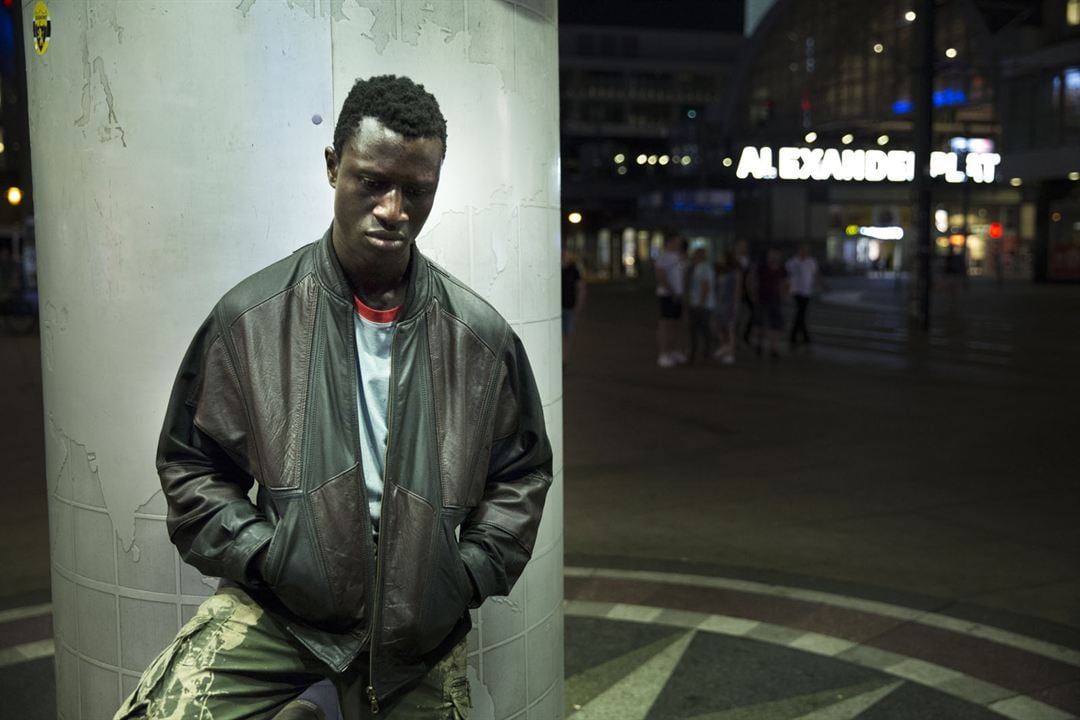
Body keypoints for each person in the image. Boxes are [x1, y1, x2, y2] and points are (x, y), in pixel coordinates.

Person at [115, 75, 553, 720]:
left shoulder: (479, 338)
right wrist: (267, 557)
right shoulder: (253, 318)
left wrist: (461, 576)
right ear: (333, 168)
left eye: (417, 190)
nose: (393, 209)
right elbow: (191, 464)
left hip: (414, 630)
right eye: (372, 182)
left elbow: (521, 474)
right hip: (287, 612)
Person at [655, 234, 687, 368]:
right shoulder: (664, 257)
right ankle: (663, 353)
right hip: (667, 295)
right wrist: (672, 291)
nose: (678, 245)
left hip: (677, 295)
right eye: (676, 242)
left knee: (676, 324)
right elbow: (660, 275)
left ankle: (674, 350)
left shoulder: (678, 257)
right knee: (666, 324)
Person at [785, 243, 821, 347]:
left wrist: (818, 284)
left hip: (807, 291)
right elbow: (787, 275)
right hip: (796, 290)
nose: (806, 252)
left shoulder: (811, 262)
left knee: (801, 314)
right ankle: (801, 336)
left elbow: (815, 274)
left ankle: (798, 336)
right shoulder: (792, 262)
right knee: (800, 312)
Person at [755, 248, 788, 359]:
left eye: (775, 255)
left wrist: (783, 295)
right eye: (771, 255)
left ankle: (774, 348)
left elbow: (785, 282)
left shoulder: (782, 269)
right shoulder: (761, 268)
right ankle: (760, 345)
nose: (774, 258)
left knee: (775, 324)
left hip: (775, 299)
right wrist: (753, 294)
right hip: (762, 298)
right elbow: (752, 280)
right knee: (761, 323)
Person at [686, 243, 715, 364]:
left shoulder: (704, 268)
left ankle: (703, 352)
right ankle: (698, 351)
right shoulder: (696, 267)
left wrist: (701, 303)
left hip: (702, 304)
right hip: (697, 302)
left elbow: (706, 287)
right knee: (698, 330)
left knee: (701, 329)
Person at [711, 252, 741, 364]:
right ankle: (724, 346)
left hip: (729, 303)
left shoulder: (735, 273)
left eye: (721, 258)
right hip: (719, 303)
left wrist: (736, 304)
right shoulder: (719, 272)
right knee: (718, 326)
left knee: (730, 328)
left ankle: (731, 353)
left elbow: (737, 290)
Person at [561, 248, 586, 366]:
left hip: (569, 307)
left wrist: (578, 306)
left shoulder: (573, 270)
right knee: (559, 335)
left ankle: (564, 359)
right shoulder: (556, 269)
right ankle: (560, 358)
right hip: (558, 309)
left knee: (567, 334)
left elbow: (581, 288)